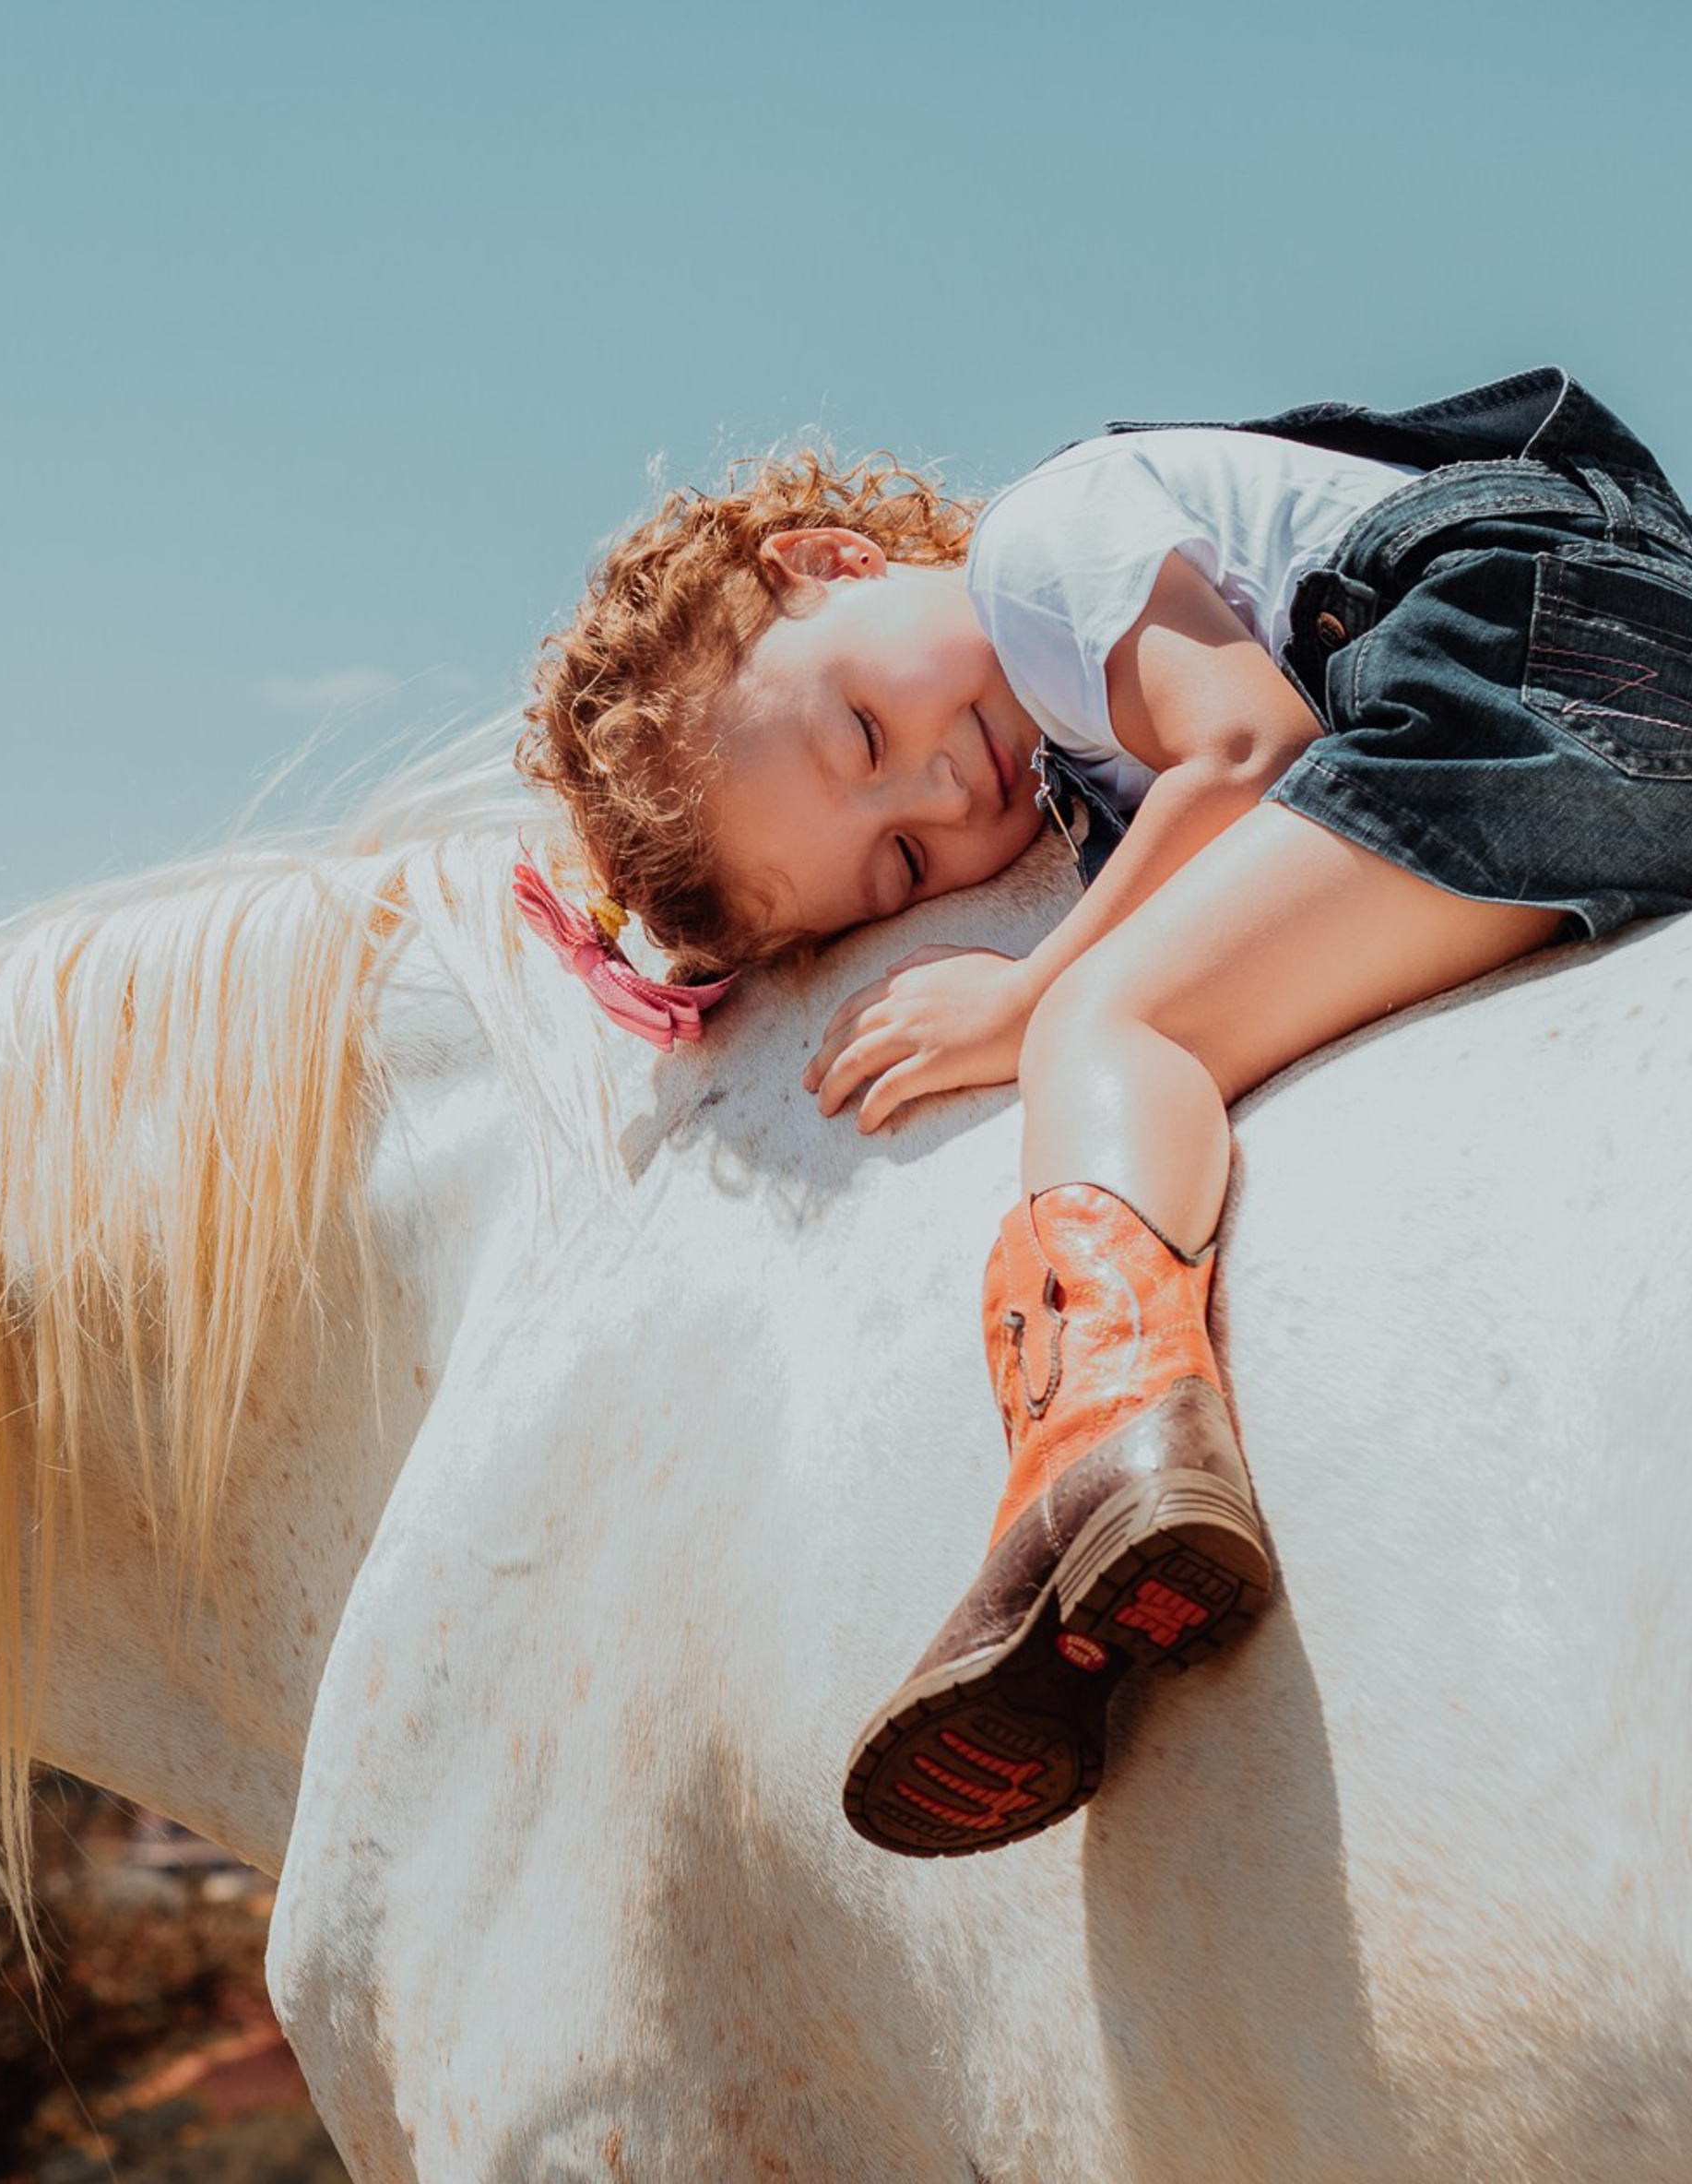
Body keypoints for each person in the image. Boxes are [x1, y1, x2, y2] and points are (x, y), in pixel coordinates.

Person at [516, 369, 1692, 1857]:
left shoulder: (1041, 548)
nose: (945, 795)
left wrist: (1033, 993)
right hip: (1593, 684)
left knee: (1114, 1022)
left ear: (829, 561)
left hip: (1531, 651)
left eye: (864, 734)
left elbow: (1248, 746)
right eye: (901, 866)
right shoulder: (1076, 754)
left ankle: (1101, 1451)